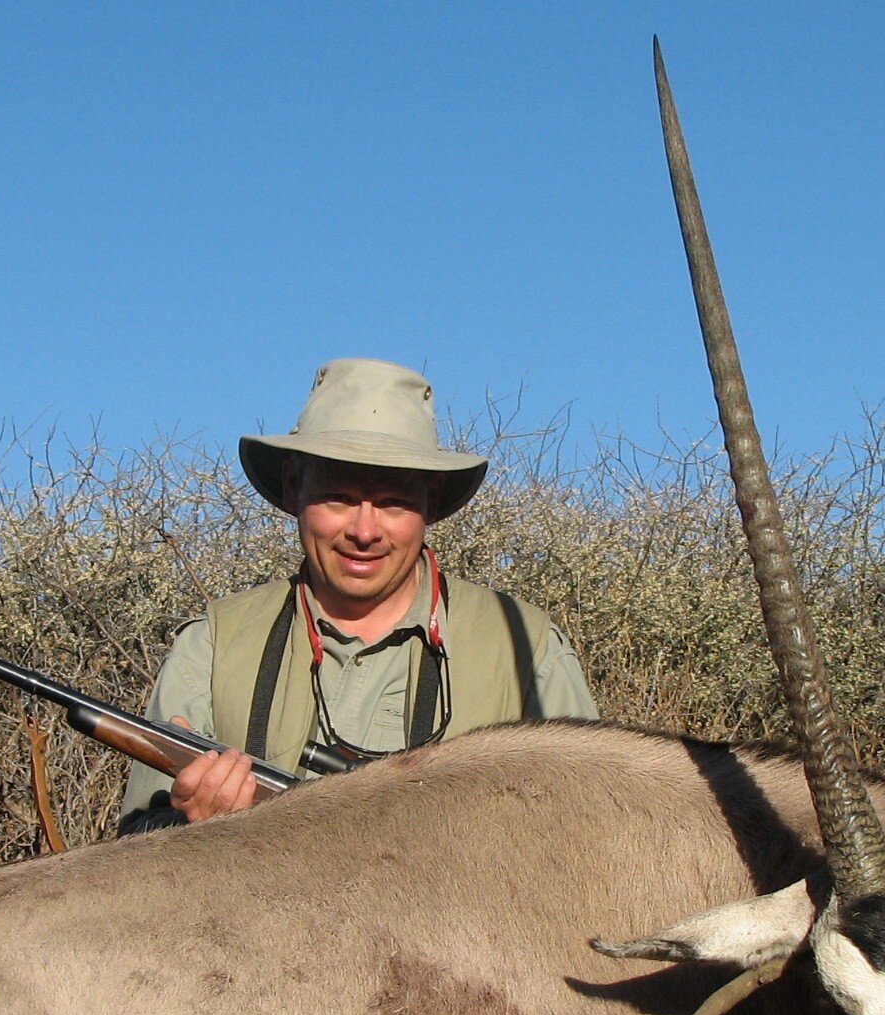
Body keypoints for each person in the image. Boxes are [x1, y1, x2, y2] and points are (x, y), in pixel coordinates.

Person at [118, 357, 597, 834]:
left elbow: (593, 835)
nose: (365, 531)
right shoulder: (215, 643)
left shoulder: (525, 647)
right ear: (292, 490)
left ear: (429, 502)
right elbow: (135, 845)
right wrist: (196, 830)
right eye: (339, 497)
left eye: (394, 502)